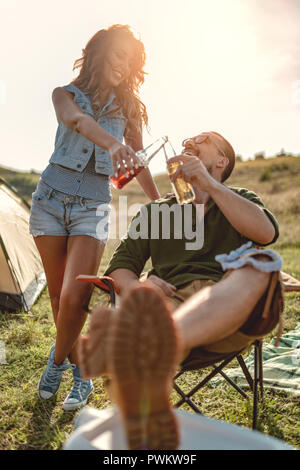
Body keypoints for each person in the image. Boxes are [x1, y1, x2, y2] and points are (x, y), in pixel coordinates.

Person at [78, 131, 284, 449]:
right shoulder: (154, 212)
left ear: (221, 160)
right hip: (170, 301)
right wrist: (139, 287)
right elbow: (121, 268)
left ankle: (155, 344)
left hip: (229, 305)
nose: (191, 140)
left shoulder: (241, 199)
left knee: (262, 261)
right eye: (189, 139)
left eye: (202, 139)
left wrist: (210, 186)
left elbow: (265, 233)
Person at [29, 24, 160, 411]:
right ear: (99, 52)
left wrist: (158, 199)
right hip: (50, 199)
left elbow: (136, 162)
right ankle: (82, 373)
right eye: (118, 55)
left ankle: (58, 364)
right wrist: (112, 142)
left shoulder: (130, 109)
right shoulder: (65, 94)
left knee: (77, 293)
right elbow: (77, 122)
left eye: (130, 61)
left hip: (93, 205)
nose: (123, 65)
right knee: (57, 297)